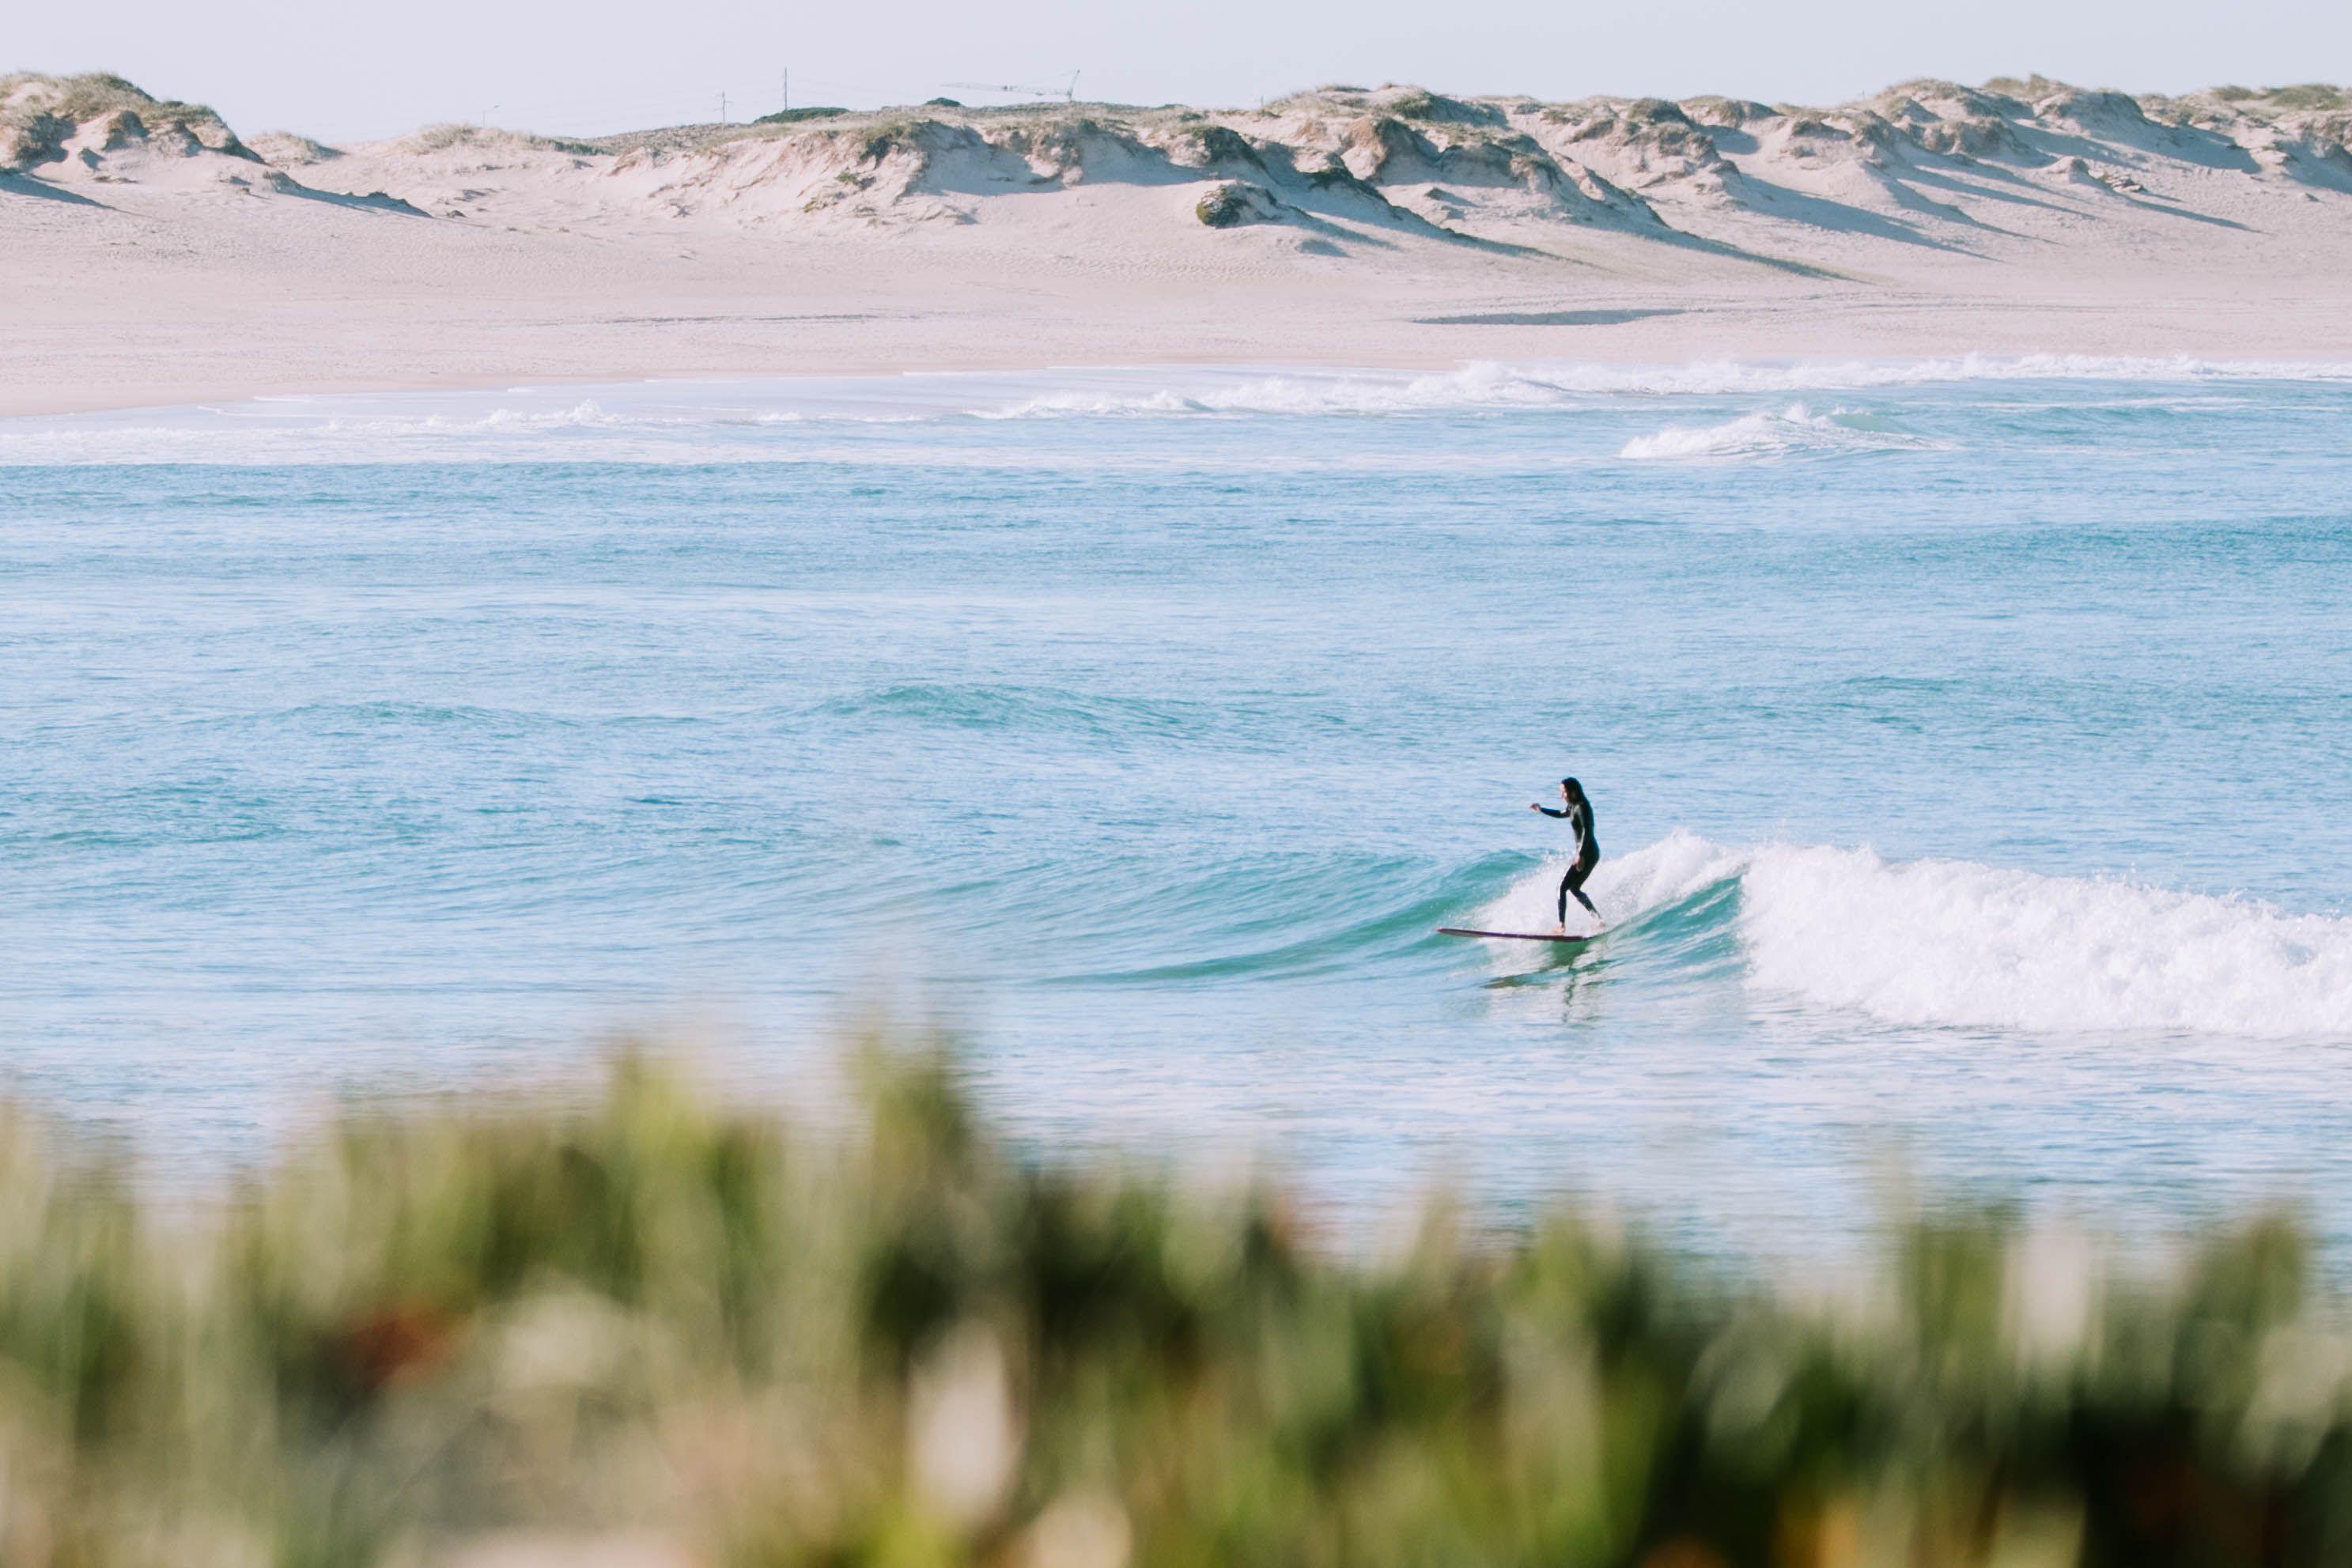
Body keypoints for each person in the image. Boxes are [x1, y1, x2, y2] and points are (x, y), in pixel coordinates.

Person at [1529, 776, 1601, 931]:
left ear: (1573, 791)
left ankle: (1561, 925)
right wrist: (1542, 810)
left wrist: (1580, 854)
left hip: (1588, 853)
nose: (1562, 795)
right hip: (1590, 853)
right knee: (1574, 888)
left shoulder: (1582, 807)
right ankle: (1598, 919)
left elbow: (1588, 831)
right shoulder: (1573, 806)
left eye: (1564, 792)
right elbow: (1561, 813)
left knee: (1561, 887)